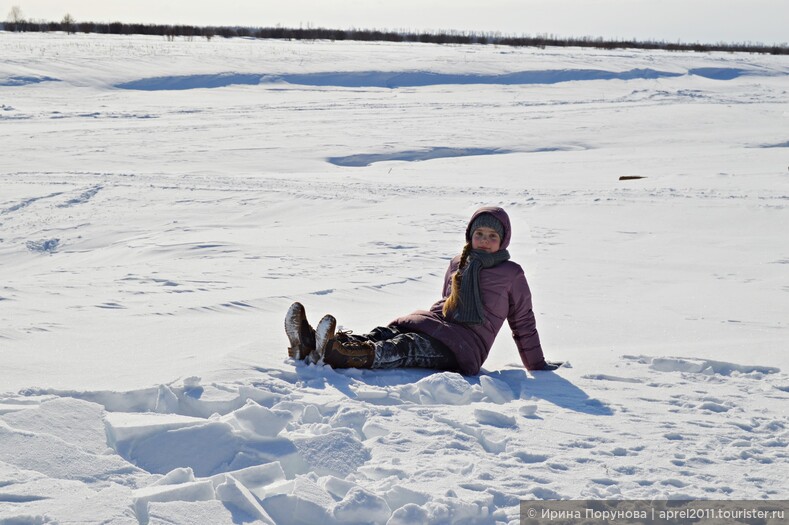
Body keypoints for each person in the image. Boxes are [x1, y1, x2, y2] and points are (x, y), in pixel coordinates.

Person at [285, 206, 560, 375]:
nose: (485, 241)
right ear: (469, 236)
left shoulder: (512, 274)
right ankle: (310, 343)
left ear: (503, 241)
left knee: (406, 347)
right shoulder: (458, 263)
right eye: (479, 234)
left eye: (492, 236)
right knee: (384, 333)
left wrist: (536, 365)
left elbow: (523, 322)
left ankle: (338, 354)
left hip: (465, 347)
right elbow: (445, 302)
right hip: (434, 324)